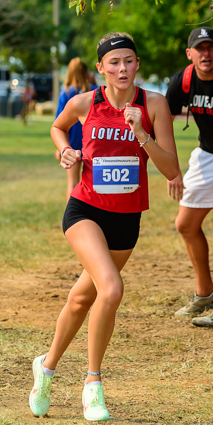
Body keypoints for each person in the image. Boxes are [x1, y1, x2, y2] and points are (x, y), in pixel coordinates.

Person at [29, 31, 179, 421]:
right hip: (84, 210)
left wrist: (142, 134)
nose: (122, 68)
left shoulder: (155, 104)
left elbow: (170, 170)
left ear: (138, 65)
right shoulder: (84, 102)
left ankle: (44, 368)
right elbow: (57, 127)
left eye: (129, 60)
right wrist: (64, 150)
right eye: (114, 62)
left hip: (127, 220)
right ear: (100, 68)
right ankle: (93, 385)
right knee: (110, 289)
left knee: (82, 298)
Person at [166, 27, 213, 325]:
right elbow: (163, 120)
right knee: (186, 224)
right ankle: (205, 294)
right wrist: (172, 169)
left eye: (211, 48)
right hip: (208, 154)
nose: (206, 54)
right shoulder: (183, 81)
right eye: (201, 48)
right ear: (190, 53)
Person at [55, 57, 98, 203]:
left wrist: (60, 148)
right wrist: (94, 83)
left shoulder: (65, 93)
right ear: (86, 72)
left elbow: (58, 124)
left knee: (72, 182)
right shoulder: (94, 91)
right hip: (91, 144)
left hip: (72, 144)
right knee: (94, 184)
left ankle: (71, 217)